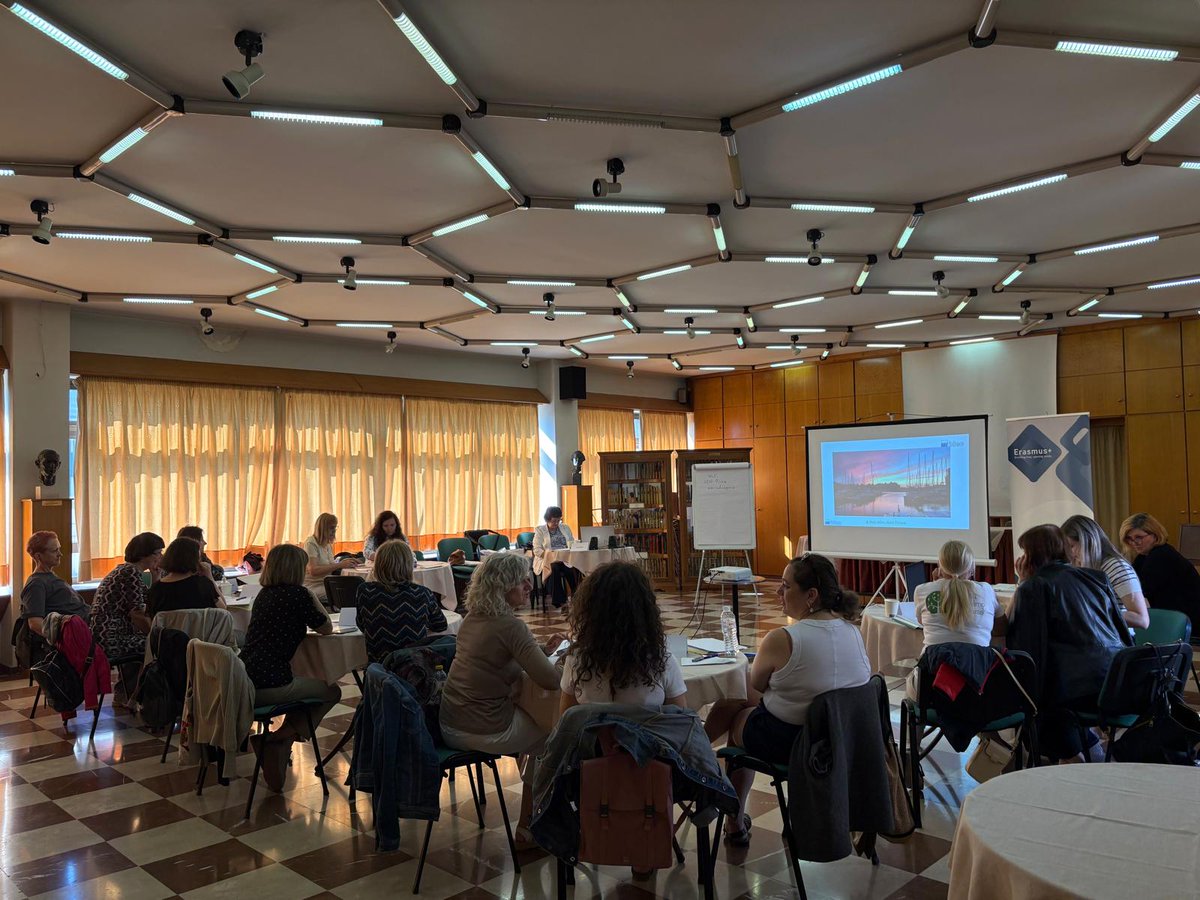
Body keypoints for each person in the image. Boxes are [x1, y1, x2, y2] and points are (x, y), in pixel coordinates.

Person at [703, 553, 871, 846]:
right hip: (843, 739)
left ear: (811, 595)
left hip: (794, 743)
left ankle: (725, 806)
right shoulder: (853, 632)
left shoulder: (784, 638)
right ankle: (699, 755)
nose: (778, 592)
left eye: (786, 586)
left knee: (738, 703)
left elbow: (756, 685)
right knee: (741, 696)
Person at [440, 553, 566, 848]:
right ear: (502, 586)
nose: (529, 586)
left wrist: (540, 649)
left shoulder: (472, 618)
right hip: (484, 728)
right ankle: (531, 825)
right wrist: (566, 661)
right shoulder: (509, 626)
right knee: (554, 735)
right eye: (521, 581)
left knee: (535, 718)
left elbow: (502, 654)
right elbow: (550, 680)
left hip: (450, 723)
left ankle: (532, 818)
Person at [1008, 524, 1131, 761]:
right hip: (1115, 680)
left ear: (1032, 555)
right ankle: (1088, 749)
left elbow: (1026, 650)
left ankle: (1073, 758)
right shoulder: (1096, 578)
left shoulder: (1034, 587)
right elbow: (1120, 630)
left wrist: (1022, 583)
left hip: (1075, 689)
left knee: (1035, 698)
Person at [239, 544, 341, 792]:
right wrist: (310, 594)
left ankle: (280, 740)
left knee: (306, 684)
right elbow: (326, 628)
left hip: (245, 678)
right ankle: (280, 737)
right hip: (271, 684)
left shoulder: (264, 595)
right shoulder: (298, 595)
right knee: (332, 691)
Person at [559, 561, 686, 712]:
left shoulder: (577, 661)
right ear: (646, 612)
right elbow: (681, 719)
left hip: (593, 729)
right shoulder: (662, 661)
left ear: (590, 611)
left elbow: (566, 718)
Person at [908, 540, 1006, 699]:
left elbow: (922, 621)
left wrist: (936, 585)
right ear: (972, 567)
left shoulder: (922, 590)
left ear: (940, 567)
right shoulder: (986, 590)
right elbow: (1002, 627)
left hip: (932, 682)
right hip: (978, 680)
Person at [356, 539, 447, 663]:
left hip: (378, 669)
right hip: (414, 668)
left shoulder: (365, 591)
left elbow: (362, 625)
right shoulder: (422, 593)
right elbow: (440, 625)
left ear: (377, 564)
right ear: (409, 565)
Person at [1062, 515, 1149, 629]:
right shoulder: (1076, 568)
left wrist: (1092, 612)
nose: (1070, 553)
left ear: (1089, 541)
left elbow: (1141, 619)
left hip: (1113, 638)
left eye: (1072, 546)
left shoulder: (1116, 567)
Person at [1120, 512, 1200, 632]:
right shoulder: (1143, 557)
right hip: (1173, 618)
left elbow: (1139, 592)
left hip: (1185, 622)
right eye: (1129, 538)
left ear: (1155, 535)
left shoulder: (1161, 555)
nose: (1134, 542)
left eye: (1139, 537)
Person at [90, 532, 164, 659]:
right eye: (158, 553)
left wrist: (155, 579)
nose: (161, 557)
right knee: (165, 645)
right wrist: (157, 636)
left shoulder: (126, 570)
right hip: (113, 639)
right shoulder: (130, 573)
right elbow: (138, 615)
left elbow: (148, 602)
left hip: (106, 636)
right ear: (143, 555)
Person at [20, 531, 89, 636]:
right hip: (76, 633)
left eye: (59, 549)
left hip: (87, 624)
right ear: (38, 556)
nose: (60, 554)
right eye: (54, 551)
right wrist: (65, 637)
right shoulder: (36, 584)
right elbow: (35, 623)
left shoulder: (50, 576)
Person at [146, 537, 224, 620]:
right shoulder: (203, 585)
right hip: (201, 628)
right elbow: (223, 609)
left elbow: (151, 619)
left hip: (168, 629)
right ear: (194, 561)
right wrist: (210, 577)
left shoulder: (156, 589)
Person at [532, 506, 581, 610]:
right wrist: (549, 556)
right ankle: (560, 602)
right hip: (548, 560)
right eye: (554, 521)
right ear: (547, 519)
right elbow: (536, 549)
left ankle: (577, 596)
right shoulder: (540, 530)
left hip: (565, 558)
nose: (556, 523)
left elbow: (571, 542)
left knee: (575, 567)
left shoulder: (565, 528)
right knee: (554, 568)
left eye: (558, 521)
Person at [304, 512, 357, 603]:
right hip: (314, 586)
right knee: (348, 593)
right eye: (331, 528)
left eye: (335, 527)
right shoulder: (311, 543)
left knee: (354, 588)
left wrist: (345, 562)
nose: (334, 531)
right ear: (323, 528)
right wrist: (340, 565)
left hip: (327, 583)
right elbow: (313, 571)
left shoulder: (327, 544)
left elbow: (330, 565)